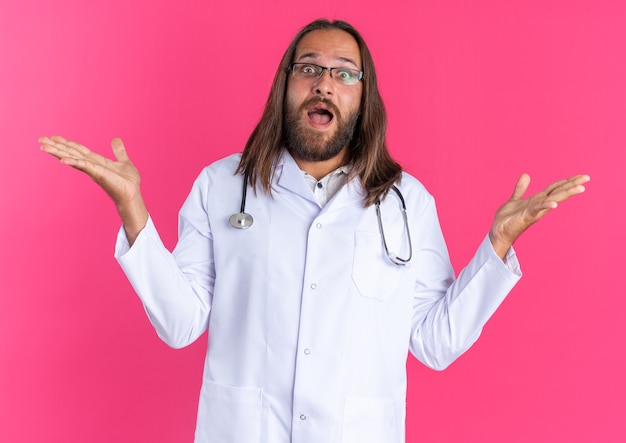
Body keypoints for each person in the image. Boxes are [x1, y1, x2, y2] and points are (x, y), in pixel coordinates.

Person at [40, 18, 589, 443]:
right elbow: (181, 323)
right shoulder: (221, 186)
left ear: (362, 95)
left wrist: (497, 246)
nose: (325, 83)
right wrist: (132, 207)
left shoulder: (407, 202)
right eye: (309, 68)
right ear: (285, 85)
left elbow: (434, 342)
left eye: (344, 73)